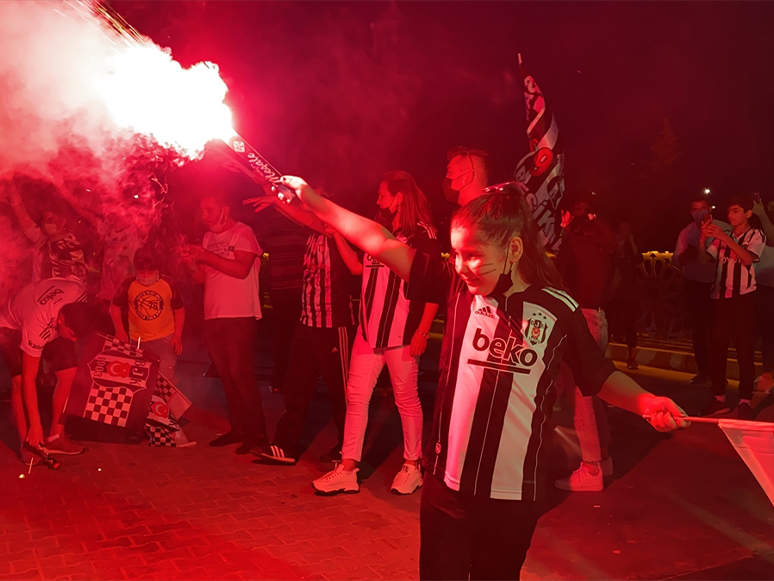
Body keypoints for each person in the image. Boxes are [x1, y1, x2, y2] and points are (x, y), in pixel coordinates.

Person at [275, 175, 687, 580]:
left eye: (473, 255)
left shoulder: (558, 309)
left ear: (513, 248)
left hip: (512, 498)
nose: (462, 266)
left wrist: (645, 403)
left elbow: (597, 374)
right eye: (456, 254)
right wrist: (314, 201)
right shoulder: (456, 289)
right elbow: (380, 241)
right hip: (445, 489)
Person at [312, 171, 440, 495]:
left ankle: (413, 466)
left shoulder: (422, 235)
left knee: (406, 400)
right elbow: (358, 268)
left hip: (401, 334)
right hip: (368, 333)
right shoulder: (383, 231)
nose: (378, 201)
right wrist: (337, 234)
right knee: (356, 398)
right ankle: (347, 468)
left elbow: (434, 287)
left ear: (399, 197)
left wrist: (422, 331)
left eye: (383, 195)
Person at [246, 186, 360, 466]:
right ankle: (286, 446)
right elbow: (304, 219)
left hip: (335, 325)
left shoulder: (343, 234)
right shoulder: (311, 234)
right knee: (295, 386)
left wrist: (278, 201)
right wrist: (275, 200)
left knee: (341, 393)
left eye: (317, 204)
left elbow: (357, 268)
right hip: (307, 322)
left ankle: (349, 450)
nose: (309, 209)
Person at [180, 192, 268, 454]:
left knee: (241, 374)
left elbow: (241, 271)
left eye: (209, 210)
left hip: (239, 314)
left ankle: (258, 433)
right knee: (227, 376)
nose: (204, 216)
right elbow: (201, 279)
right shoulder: (209, 239)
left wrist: (205, 256)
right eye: (202, 211)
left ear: (225, 209)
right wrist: (190, 263)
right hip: (214, 314)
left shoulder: (243, 233)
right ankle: (239, 429)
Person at [554, 193, 616, 492]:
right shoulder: (602, 244)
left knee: (580, 398)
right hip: (601, 319)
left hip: (581, 319)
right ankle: (603, 458)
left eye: (561, 216)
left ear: (568, 216)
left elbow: (559, 285)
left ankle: (591, 469)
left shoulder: (572, 245)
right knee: (595, 392)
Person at [0, 278, 92, 463]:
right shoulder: (37, 324)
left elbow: (74, 330)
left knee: (69, 372)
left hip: (48, 317)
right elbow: (29, 378)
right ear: (61, 320)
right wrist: (36, 425)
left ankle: (56, 437)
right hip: (12, 326)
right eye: (73, 335)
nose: (74, 341)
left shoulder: (79, 293)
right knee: (19, 382)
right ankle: (29, 444)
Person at [699, 194, 766, 419]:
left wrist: (723, 237)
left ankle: (745, 400)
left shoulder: (755, 235)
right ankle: (719, 398)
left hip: (743, 300)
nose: (730, 215)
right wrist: (702, 238)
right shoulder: (723, 236)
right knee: (716, 349)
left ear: (748, 213)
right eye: (729, 211)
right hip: (720, 299)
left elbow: (747, 259)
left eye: (736, 211)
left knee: (744, 351)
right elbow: (702, 260)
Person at [673, 196, 730, 386]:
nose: (700, 212)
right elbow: (676, 260)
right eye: (695, 209)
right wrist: (686, 257)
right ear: (691, 213)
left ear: (709, 209)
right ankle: (703, 370)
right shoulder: (686, 232)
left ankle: (719, 371)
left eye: (703, 208)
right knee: (698, 330)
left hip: (719, 283)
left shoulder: (723, 228)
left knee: (718, 330)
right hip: (695, 285)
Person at [252, 205, 308, 394]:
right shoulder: (301, 222)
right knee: (298, 335)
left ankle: (279, 379)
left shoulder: (268, 224)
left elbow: (258, 250)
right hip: (296, 286)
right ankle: (292, 379)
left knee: (283, 335)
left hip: (284, 287)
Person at [110, 248, 185, 385]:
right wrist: (119, 330)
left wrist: (178, 335)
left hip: (165, 339)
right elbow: (114, 307)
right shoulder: (129, 284)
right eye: (141, 272)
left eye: (150, 272)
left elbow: (179, 310)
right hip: (138, 340)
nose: (145, 276)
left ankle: (165, 405)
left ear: (158, 269)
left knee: (165, 379)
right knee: (140, 378)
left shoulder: (168, 284)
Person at [8, 179, 88, 286]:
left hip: (63, 300)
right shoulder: (40, 240)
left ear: (63, 221)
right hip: (38, 298)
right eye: (44, 220)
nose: (46, 223)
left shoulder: (74, 246)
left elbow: (79, 282)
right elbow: (20, 210)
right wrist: (10, 183)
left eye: (50, 220)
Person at [608, 222, 642, 370]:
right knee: (610, 323)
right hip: (615, 295)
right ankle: (602, 355)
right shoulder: (611, 255)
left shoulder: (630, 253)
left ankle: (632, 357)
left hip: (629, 294)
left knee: (630, 325)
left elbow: (638, 259)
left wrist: (632, 241)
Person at [751, 195, 774, 396]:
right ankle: (767, 375)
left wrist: (763, 215)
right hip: (764, 289)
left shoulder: (767, 225)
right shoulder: (758, 230)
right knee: (767, 334)